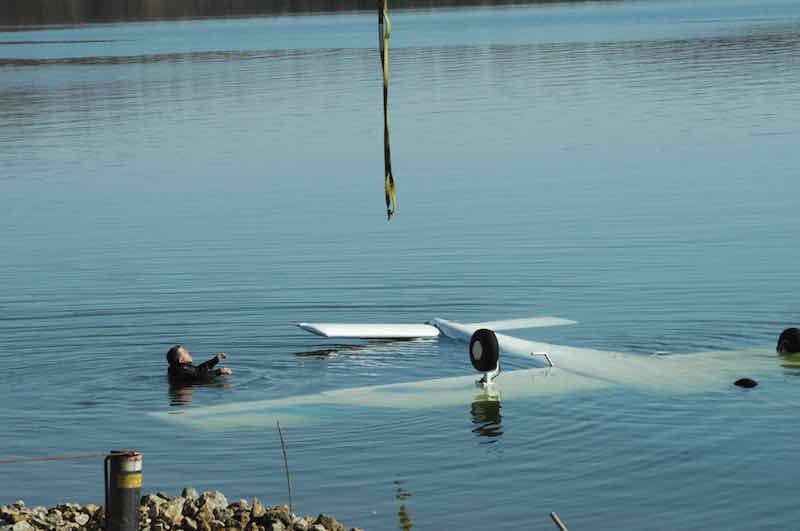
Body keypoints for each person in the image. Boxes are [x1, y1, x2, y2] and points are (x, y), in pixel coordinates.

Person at [166, 344, 232, 383]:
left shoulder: (182, 368)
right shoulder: (180, 371)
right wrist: (218, 372)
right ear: (181, 360)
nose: (188, 353)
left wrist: (216, 359)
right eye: (185, 352)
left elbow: (198, 370)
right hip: (183, 390)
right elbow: (200, 377)